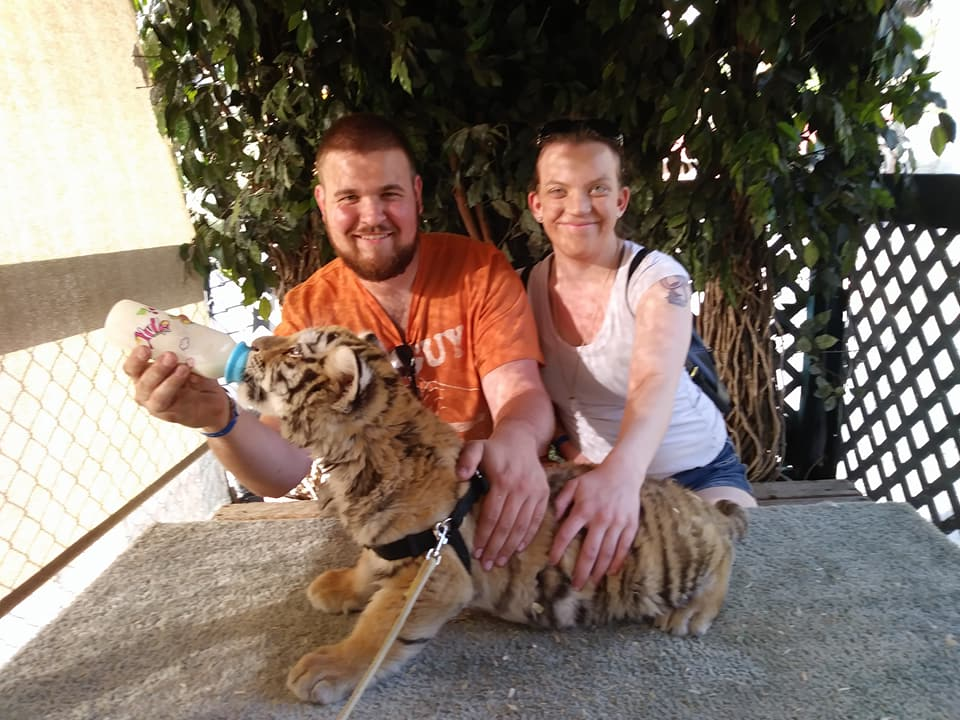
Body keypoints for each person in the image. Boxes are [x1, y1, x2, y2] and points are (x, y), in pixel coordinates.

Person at [124, 112, 553, 571]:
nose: (372, 217)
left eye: (390, 194)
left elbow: (520, 394)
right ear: (324, 203)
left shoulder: (478, 270)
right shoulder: (309, 309)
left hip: (483, 515)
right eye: (350, 197)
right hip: (387, 538)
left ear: (417, 195)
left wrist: (517, 442)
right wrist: (216, 419)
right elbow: (282, 470)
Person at [524, 118, 757, 591]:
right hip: (595, 479)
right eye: (559, 191)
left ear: (620, 199)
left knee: (726, 579)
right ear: (537, 205)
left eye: (597, 189)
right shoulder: (520, 289)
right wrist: (575, 456)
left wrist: (621, 474)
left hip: (698, 472)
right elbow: (535, 396)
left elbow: (654, 381)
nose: (578, 206)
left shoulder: (659, 279)